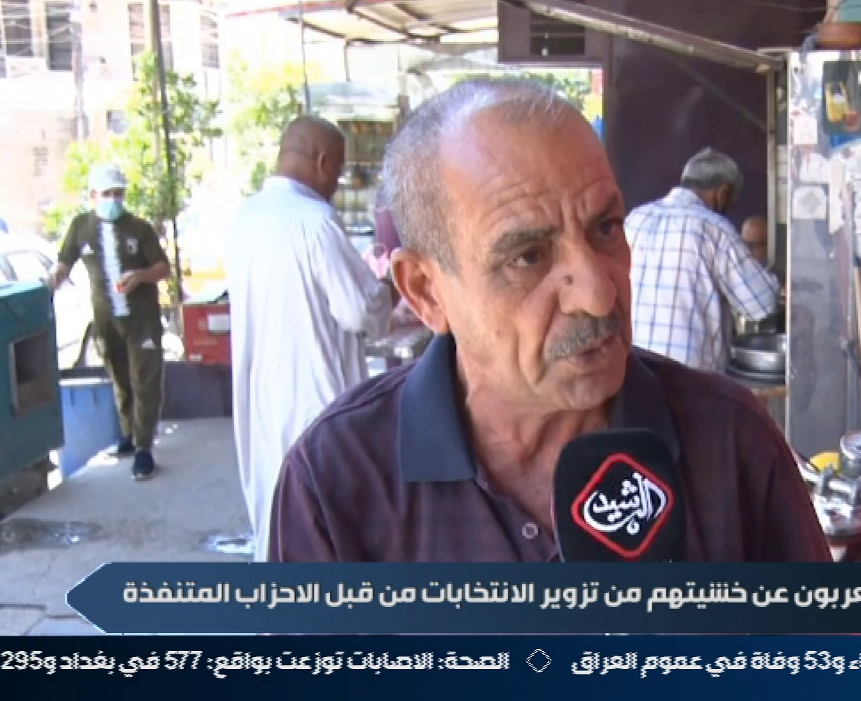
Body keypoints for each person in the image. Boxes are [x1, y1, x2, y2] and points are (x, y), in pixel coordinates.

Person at [267, 79, 830, 563]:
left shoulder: (731, 440)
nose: (598, 294)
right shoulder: (336, 482)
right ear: (425, 291)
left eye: (606, 229)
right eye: (527, 257)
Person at [226, 116, 398, 562]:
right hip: (316, 396)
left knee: (277, 516)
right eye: (338, 171)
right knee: (325, 517)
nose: (337, 184)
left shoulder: (246, 218)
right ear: (324, 163)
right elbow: (360, 310)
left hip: (264, 400)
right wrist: (389, 290)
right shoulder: (315, 220)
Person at [51, 164, 171, 480]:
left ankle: (144, 448)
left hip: (142, 320)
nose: (114, 200)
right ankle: (128, 434)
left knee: (145, 380)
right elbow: (64, 262)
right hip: (106, 321)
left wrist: (140, 276)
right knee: (120, 379)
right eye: (107, 194)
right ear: (93, 197)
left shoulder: (140, 229)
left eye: (119, 194)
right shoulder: (81, 227)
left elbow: (163, 268)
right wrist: (54, 279)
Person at [625, 149, 781, 372]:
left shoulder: (635, 220)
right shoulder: (714, 229)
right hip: (689, 378)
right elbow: (763, 304)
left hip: (636, 369)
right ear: (723, 193)